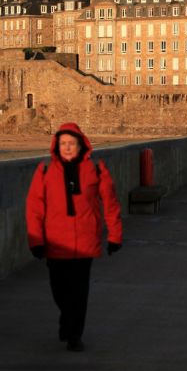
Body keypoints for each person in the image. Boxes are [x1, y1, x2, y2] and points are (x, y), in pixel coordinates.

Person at [26, 123, 123, 352]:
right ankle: (66, 318)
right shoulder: (45, 172)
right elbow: (34, 208)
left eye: (71, 143)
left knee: (79, 292)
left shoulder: (96, 170)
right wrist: (36, 240)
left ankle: (74, 334)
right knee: (59, 289)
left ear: (80, 145)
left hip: (84, 243)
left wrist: (115, 236)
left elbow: (110, 204)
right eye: (63, 144)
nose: (67, 148)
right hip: (56, 242)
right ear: (56, 147)